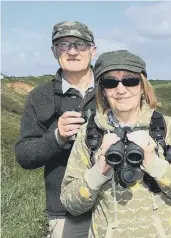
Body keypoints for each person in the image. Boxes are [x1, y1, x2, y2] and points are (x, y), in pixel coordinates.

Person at [60, 50, 171, 237]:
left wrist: (155, 164)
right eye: (110, 82)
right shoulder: (90, 133)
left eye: (130, 81)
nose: (121, 89)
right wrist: (99, 171)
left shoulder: (166, 127)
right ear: (102, 90)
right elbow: (70, 203)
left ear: (142, 86)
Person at [14, 21, 97, 237]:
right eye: (63, 45)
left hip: (118, 206)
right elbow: (24, 155)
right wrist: (57, 138)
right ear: (54, 52)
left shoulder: (116, 89)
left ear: (93, 50)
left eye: (80, 44)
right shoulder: (40, 97)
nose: (72, 51)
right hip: (66, 214)